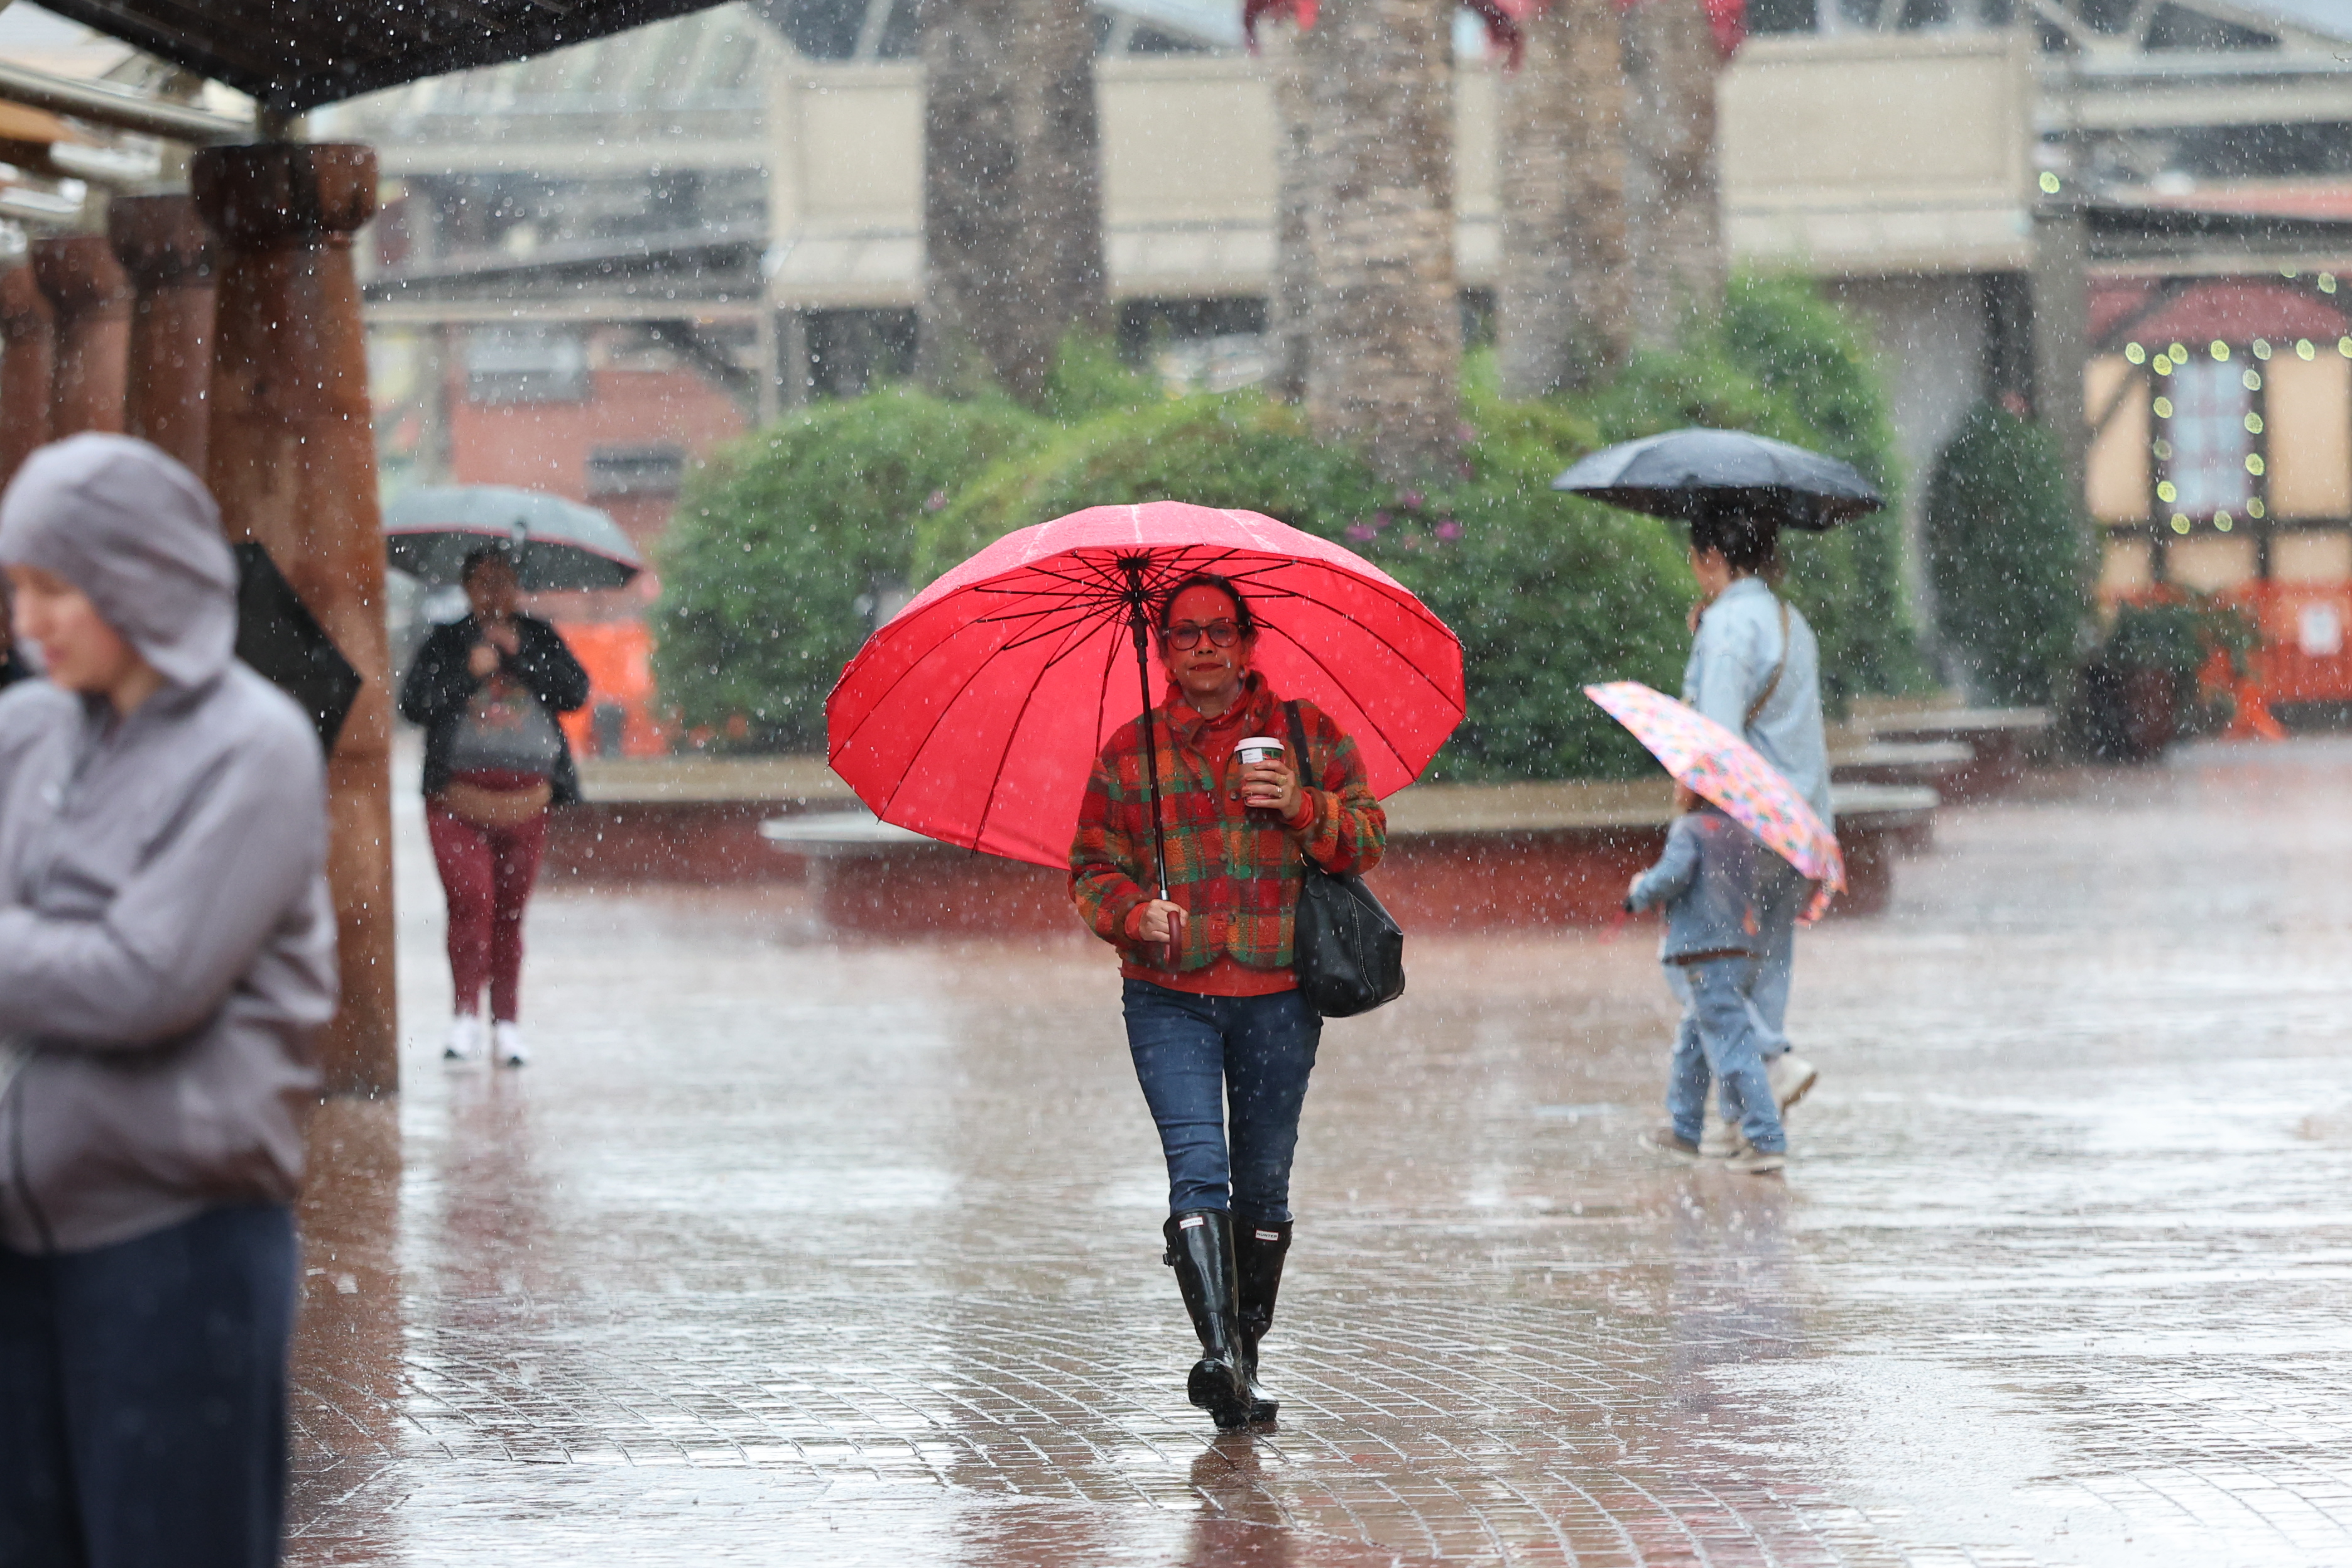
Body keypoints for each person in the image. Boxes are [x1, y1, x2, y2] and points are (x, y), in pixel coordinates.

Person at [0, 434, 338, 1568]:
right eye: (17, 590)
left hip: (176, 1249)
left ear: (137, 576)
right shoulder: (28, 732)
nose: (28, 621)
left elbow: (148, 980)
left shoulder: (255, 749)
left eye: (55, 589)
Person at [1070, 572, 1385, 1430]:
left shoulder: (1305, 734)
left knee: (1264, 1188)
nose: (1203, 645)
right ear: (1162, 651)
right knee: (1197, 1173)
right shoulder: (1129, 754)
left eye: (1220, 631)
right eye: (1184, 634)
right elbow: (1090, 869)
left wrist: (1301, 804)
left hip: (1281, 998)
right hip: (1168, 999)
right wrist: (1136, 913)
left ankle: (1244, 1360)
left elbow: (1366, 837)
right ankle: (1216, 1356)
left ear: (1249, 643)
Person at [398, 545, 589, 1069]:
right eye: (483, 581)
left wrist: (520, 657)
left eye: (503, 581)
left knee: (509, 913)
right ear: (466, 587)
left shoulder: (539, 637)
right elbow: (414, 704)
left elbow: (575, 693)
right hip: (457, 801)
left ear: (517, 587)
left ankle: (507, 1023)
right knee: (471, 902)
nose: (494, 592)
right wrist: (468, 671)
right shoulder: (448, 641)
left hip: (528, 803)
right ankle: (464, 1015)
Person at [1682, 508, 1826, 1145]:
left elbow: (1716, 746)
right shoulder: (1793, 624)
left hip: (1742, 825)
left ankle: (1771, 1060)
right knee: (1765, 965)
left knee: (1702, 968)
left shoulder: (1728, 629)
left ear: (1712, 555)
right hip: (1802, 823)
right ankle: (1752, 1127)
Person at [1630, 785, 1787, 1175]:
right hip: (1735, 947)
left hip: (1703, 951)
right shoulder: (1741, 831)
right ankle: (1684, 1131)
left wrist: (1639, 891)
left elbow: (1673, 876)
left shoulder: (1690, 829)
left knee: (1733, 1048)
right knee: (1693, 1043)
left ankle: (1766, 1139)